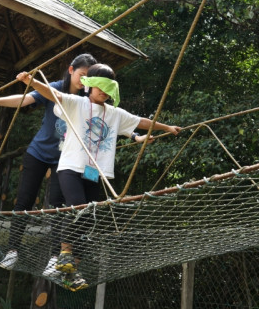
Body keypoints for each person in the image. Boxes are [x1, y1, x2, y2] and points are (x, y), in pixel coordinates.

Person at [16, 63, 181, 291]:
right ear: (89, 86)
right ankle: (64, 252)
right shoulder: (77, 104)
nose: (103, 91)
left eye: (108, 87)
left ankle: (72, 269)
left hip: (94, 171)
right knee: (78, 207)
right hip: (71, 167)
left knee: (91, 216)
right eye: (99, 86)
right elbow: (53, 94)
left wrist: (166, 127)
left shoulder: (114, 114)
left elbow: (140, 122)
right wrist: (31, 82)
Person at [0, 53, 97, 275]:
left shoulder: (89, 98)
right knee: (24, 200)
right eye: (82, 75)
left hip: (65, 158)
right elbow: (24, 99)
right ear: (71, 70)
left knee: (58, 205)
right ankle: (13, 250)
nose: (84, 81)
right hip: (38, 152)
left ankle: (54, 256)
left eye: (89, 78)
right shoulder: (53, 88)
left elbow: (109, 117)